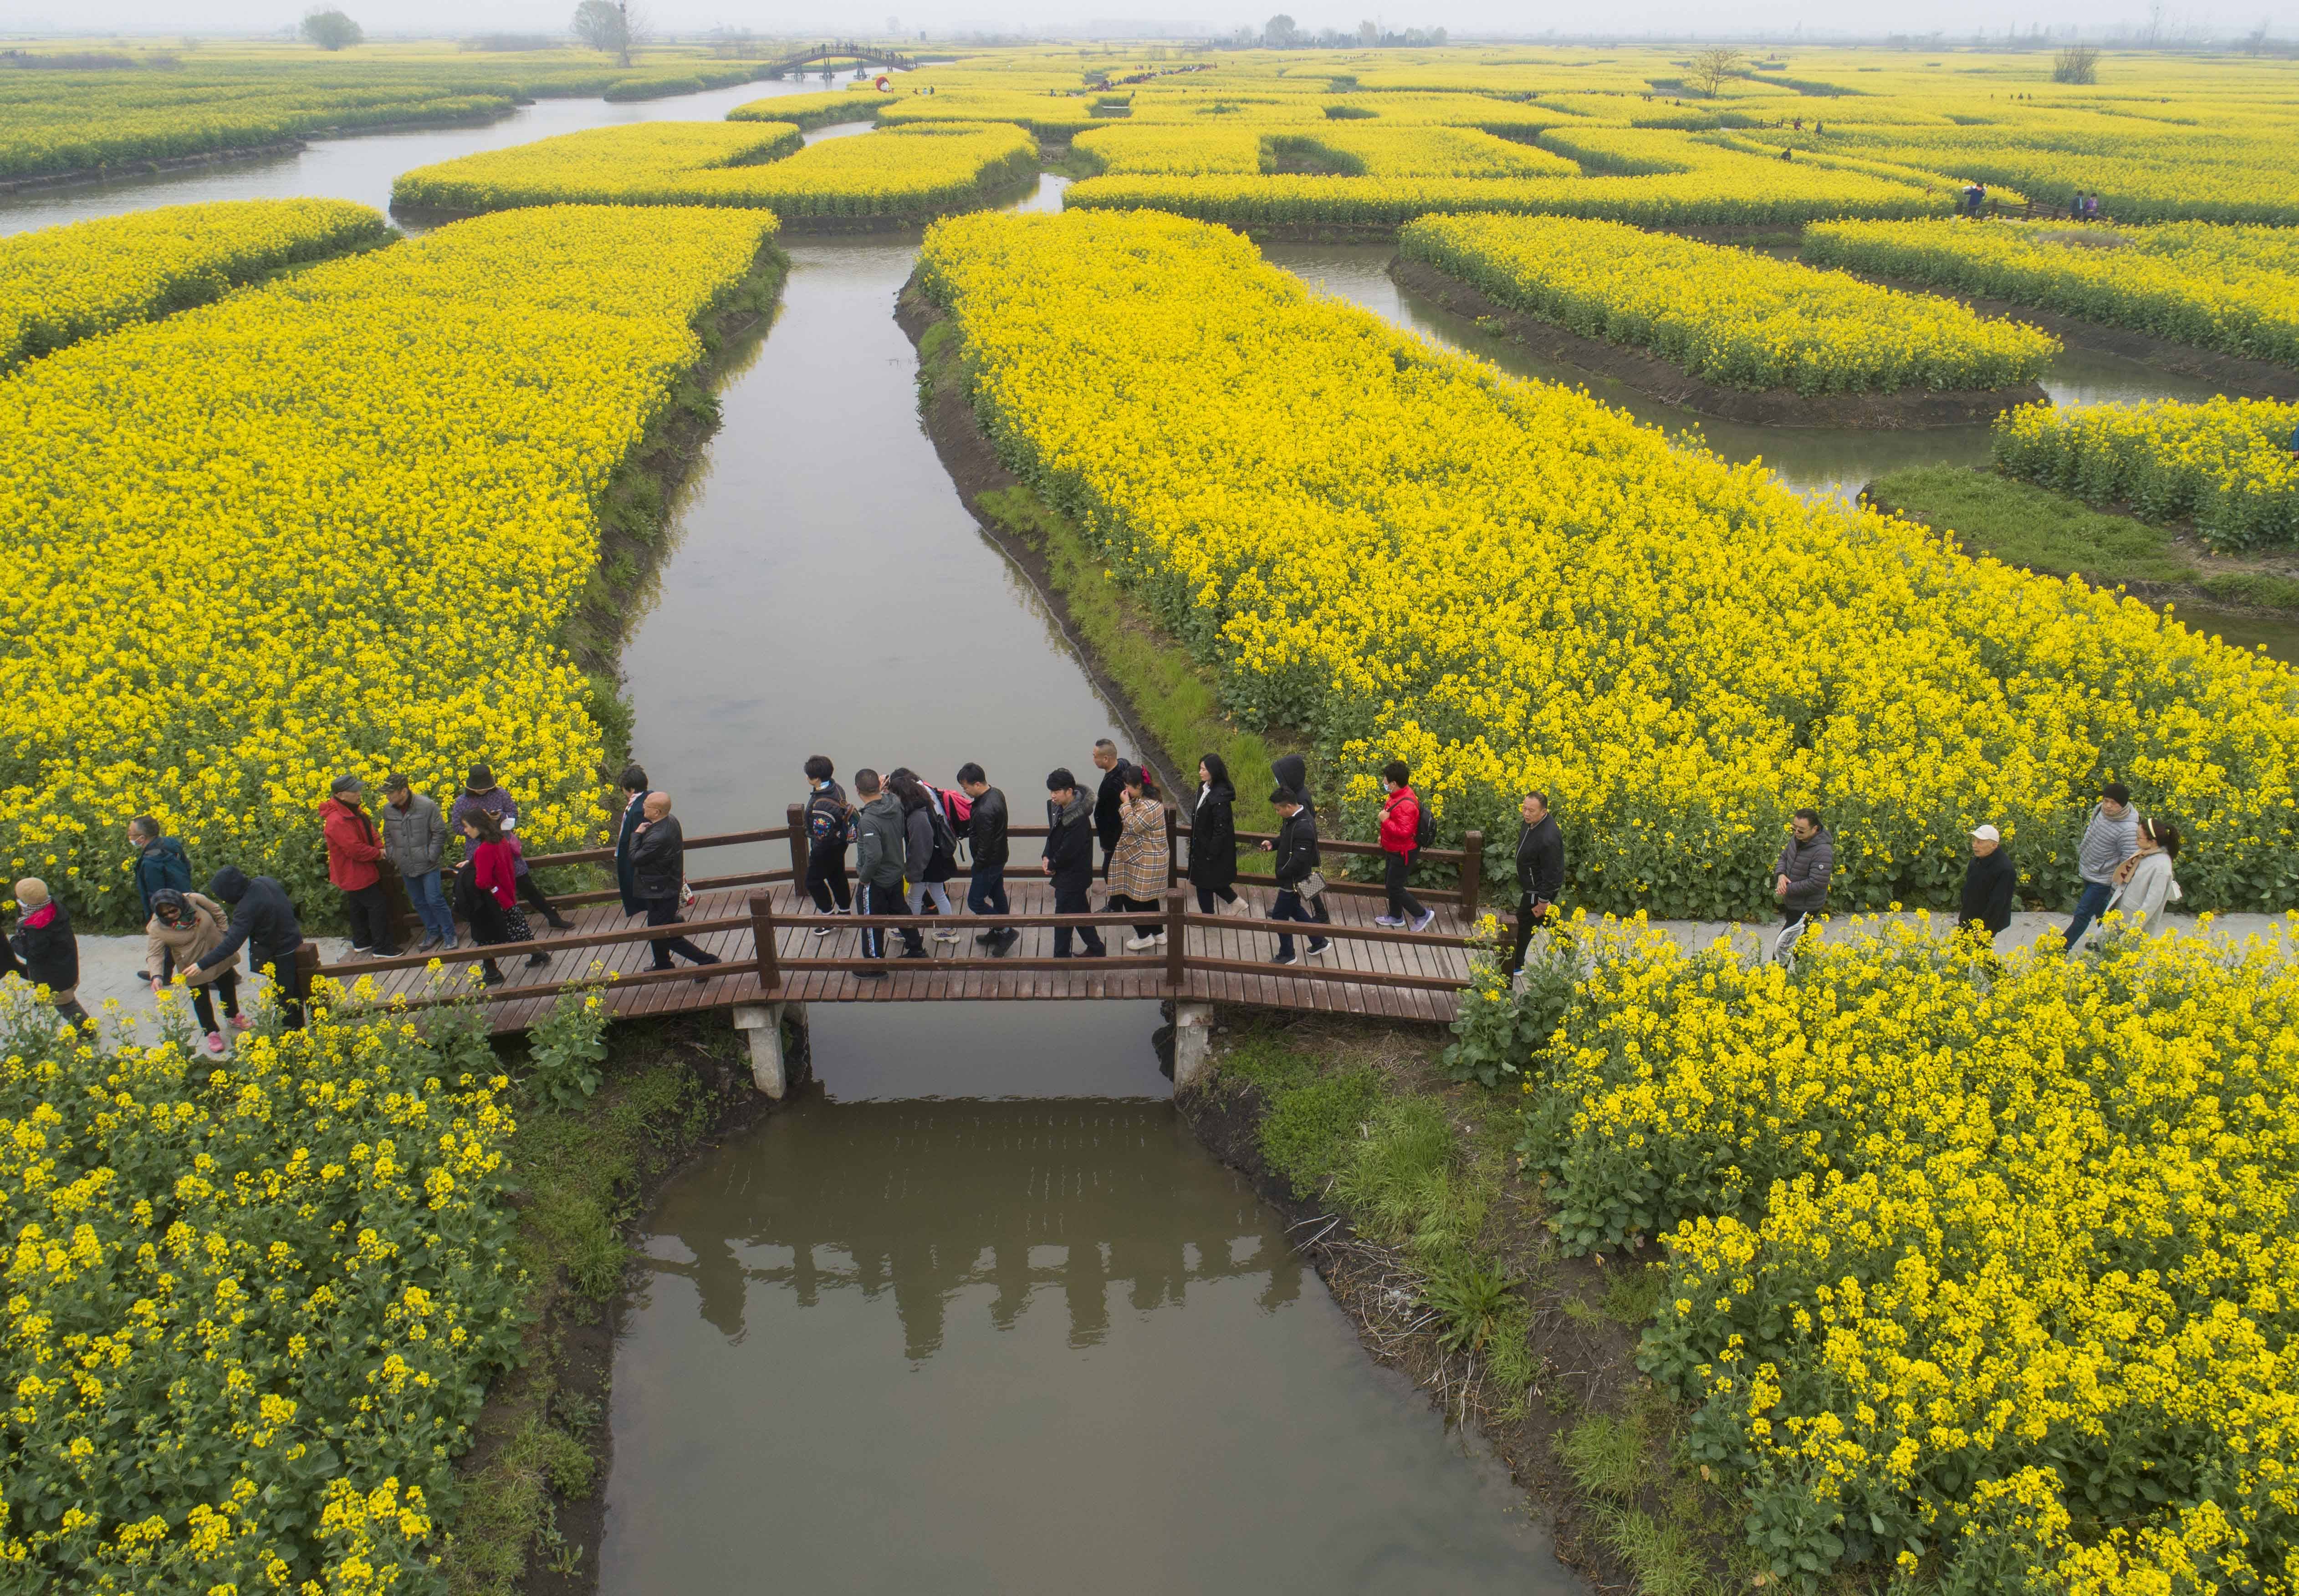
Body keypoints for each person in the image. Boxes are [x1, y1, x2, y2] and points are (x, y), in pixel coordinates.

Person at [451, 763, 576, 932]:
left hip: (504, 847)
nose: (482, 791)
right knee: (490, 892)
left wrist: (500, 817)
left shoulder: (501, 794)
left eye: (485, 787)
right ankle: (498, 929)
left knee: (525, 884)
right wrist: (480, 825)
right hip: (479, 851)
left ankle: (552, 917)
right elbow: (458, 828)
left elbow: (514, 815)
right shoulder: (462, 802)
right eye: (479, 788)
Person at [195, 866, 307, 1028]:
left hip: (279, 953)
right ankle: (296, 1026)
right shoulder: (265, 881)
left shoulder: (246, 908)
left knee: (285, 997)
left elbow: (231, 944)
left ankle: (289, 1033)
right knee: (294, 992)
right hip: (295, 941)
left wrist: (201, 964)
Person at [629, 793, 723, 980]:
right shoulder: (671, 821)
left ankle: (708, 961)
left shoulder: (658, 836)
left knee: (667, 934)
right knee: (654, 927)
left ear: (656, 812)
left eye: (646, 806)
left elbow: (635, 858)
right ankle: (663, 963)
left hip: (663, 890)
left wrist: (637, 835)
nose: (643, 809)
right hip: (663, 885)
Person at [146, 887, 244, 1055]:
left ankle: (233, 1016)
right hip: (192, 964)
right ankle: (211, 1032)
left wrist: (225, 933)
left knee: (228, 985)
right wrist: (157, 976)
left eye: (173, 910)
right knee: (201, 999)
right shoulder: (157, 928)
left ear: (180, 904)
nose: (170, 916)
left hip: (217, 952)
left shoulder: (195, 899)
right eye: (165, 915)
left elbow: (218, 912)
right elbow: (155, 953)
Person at [460, 810, 549, 979]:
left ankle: (492, 973)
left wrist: (471, 873)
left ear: (477, 827)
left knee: (483, 935)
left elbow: (483, 882)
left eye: (467, 827)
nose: (465, 831)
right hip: (508, 894)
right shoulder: (501, 840)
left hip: (494, 899)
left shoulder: (484, 850)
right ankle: (538, 954)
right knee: (519, 927)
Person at [321, 775, 399, 958]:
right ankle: (382, 948)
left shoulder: (351, 810)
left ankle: (362, 942)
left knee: (357, 905)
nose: (359, 794)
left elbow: (369, 830)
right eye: (354, 791)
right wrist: (378, 853)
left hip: (355, 869)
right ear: (341, 795)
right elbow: (354, 850)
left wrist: (379, 846)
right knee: (377, 905)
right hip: (354, 871)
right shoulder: (337, 820)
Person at [852, 767, 917, 971]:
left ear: (857, 790)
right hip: (897, 873)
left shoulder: (869, 820)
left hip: (876, 881)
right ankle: (916, 948)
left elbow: (873, 857)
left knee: (871, 921)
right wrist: (882, 790)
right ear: (880, 787)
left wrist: (864, 879)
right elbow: (887, 795)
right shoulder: (895, 804)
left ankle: (874, 965)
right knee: (901, 912)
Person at [381, 774, 455, 952]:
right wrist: (393, 854)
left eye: (390, 793)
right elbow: (388, 834)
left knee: (434, 899)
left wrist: (431, 855)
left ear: (404, 791)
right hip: (406, 864)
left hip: (428, 864)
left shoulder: (427, 806)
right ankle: (432, 932)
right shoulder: (388, 810)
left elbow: (439, 832)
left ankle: (449, 934)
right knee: (418, 902)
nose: (387, 797)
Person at [2063, 783, 2140, 951]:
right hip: (2090, 870)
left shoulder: (2129, 829)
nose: (2108, 806)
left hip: (2104, 879)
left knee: (2083, 913)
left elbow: (2128, 862)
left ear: (2124, 804)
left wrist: (2115, 887)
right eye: (2106, 801)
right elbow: (2091, 831)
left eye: (2114, 803)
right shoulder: (2100, 811)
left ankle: (2062, 947)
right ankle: (2107, 943)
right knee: (2102, 911)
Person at [890, 770, 960, 944]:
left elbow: (920, 848)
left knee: (914, 897)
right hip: (937, 860)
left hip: (927, 863)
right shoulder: (924, 804)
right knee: (938, 893)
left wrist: (914, 872)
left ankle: (909, 931)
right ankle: (949, 930)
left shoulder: (916, 817)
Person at [1260, 788, 1329, 966]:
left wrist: (1281, 873)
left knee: (1279, 917)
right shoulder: (1292, 819)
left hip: (1292, 881)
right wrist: (1273, 844)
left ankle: (1287, 954)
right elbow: (1286, 839)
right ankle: (1319, 941)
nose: (1277, 813)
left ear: (1289, 806)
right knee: (1294, 910)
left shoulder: (1303, 826)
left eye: (1278, 809)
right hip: (1296, 880)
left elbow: (1300, 859)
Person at [1043, 768, 1107, 959]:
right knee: (1078, 912)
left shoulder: (1078, 818)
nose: (1052, 796)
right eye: (1051, 792)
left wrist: (1052, 863)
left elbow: (1069, 850)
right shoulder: (1058, 808)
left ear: (1069, 792)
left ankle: (1061, 955)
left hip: (1074, 875)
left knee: (1063, 915)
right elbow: (1053, 834)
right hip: (1068, 873)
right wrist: (1046, 855)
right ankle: (1095, 948)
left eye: (1056, 792)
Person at [10, 879, 89, 1027]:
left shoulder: (38, 929)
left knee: (66, 1005)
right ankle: (44, 997)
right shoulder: (53, 907)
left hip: (54, 976)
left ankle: (87, 1031)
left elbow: (33, 954)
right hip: (65, 964)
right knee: (65, 997)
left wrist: (15, 942)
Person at [1108, 763, 1170, 949]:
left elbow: (1133, 826)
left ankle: (1143, 936)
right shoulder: (1151, 800)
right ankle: (1158, 933)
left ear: (1140, 786)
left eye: (1128, 785)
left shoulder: (1148, 806)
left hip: (1147, 859)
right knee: (1150, 898)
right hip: (1151, 857)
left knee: (1131, 897)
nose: (1126, 789)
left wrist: (1126, 805)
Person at [957, 762, 1016, 951]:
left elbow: (986, 844)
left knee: (974, 901)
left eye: (965, 787)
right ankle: (999, 931)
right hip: (999, 857)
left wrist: (978, 866)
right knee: (997, 894)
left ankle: (1006, 930)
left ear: (977, 784)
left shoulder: (984, 810)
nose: (964, 791)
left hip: (989, 862)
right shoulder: (996, 793)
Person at [2096, 818, 2181, 944]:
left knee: (2127, 960)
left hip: (2133, 923)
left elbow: (2152, 903)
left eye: (2139, 837)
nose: (2135, 841)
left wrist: (2132, 930)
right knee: (2102, 939)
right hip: (2121, 915)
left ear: (2153, 841)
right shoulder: (2146, 853)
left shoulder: (2161, 868)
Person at [1374, 760, 1435, 932]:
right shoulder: (1398, 795)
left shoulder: (1406, 805)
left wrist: (1385, 822)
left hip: (1403, 852)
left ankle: (1422, 914)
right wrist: (1384, 834)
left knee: (1394, 886)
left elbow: (1404, 832)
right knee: (1391, 883)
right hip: (1394, 848)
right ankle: (1396, 916)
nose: (1383, 783)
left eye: (1386, 780)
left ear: (1394, 783)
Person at [1508, 790, 1564, 977]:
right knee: (1543, 918)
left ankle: (1516, 965)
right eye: (1524, 808)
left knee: (1524, 924)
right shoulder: (1531, 823)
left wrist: (1543, 898)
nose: (1525, 814)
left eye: (1531, 811)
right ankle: (1569, 945)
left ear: (1544, 812)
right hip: (1532, 886)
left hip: (1537, 889)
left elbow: (1553, 872)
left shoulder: (1548, 838)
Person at [1772, 808, 1833, 964]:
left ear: (1815, 829)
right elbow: (1784, 857)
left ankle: (1776, 978)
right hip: (1793, 902)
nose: (1796, 832)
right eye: (1794, 828)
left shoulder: (1823, 851)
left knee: (1783, 946)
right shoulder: (1798, 839)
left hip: (1807, 906)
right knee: (1800, 945)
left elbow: (1816, 883)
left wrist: (1786, 888)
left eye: (1801, 830)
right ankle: (1804, 977)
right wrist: (1781, 875)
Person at [1187, 754, 1246, 916]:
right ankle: (1236, 902)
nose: (1200, 772)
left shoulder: (1220, 798)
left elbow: (1222, 828)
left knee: (1202, 883)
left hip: (1210, 848)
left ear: (1214, 771)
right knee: (1207, 881)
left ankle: (1208, 917)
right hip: (1202, 845)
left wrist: (1211, 853)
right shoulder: (1203, 788)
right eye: (1200, 768)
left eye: (1204, 769)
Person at [802, 756, 853, 927]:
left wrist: (815, 853)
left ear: (816, 779)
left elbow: (822, 836)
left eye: (809, 775)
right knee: (836, 875)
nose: (807, 778)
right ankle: (845, 912)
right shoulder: (836, 787)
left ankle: (828, 917)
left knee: (813, 881)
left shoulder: (820, 805)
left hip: (826, 847)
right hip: (840, 842)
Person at [1957, 824, 2018, 944]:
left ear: (1994, 845)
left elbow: (1998, 902)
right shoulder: (1976, 861)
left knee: (1979, 953)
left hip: (1988, 921)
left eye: (1980, 842)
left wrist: (1986, 928)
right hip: (1970, 916)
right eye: (1974, 841)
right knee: (1968, 952)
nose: (1974, 845)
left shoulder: (2005, 870)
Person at [126, 816, 193, 921]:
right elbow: (187, 867)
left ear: (142, 838)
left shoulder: (150, 863)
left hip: (168, 913)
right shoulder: (172, 843)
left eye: (131, 833)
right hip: (186, 900)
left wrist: (155, 919)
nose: (129, 836)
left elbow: (156, 895)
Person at [613, 762, 651, 920]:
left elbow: (641, 839)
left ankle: (660, 922)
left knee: (643, 892)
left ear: (632, 790)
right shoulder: (650, 799)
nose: (623, 792)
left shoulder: (637, 810)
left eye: (623, 788)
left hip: (638, 860)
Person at [1091, 739, 1126, 878]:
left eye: (1095, 756)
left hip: (1114, 840)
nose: (1093, 759)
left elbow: (1111, 817)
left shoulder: (1110, 786)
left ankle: (1116, 900)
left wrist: (1106, 846)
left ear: (1106, 759)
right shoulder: (1124, 764)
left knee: (1109, 874)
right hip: (1120, 837)